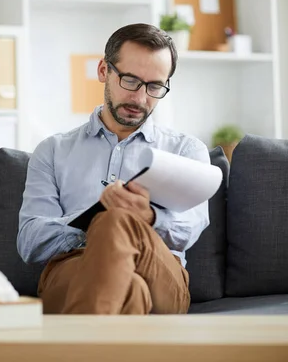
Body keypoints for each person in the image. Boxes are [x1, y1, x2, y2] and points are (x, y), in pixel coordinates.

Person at [17, 23, 210, 315]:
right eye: (130, 80)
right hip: (73, 268)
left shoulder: (186, 151)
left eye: (155, 86)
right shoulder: (53, 151)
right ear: (104, 71)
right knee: (130, 287)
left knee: (117, 221)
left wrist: (146, 218)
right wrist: (92, 222)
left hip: (161, 273)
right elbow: (30, 241)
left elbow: (192, 227)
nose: (141, 98)